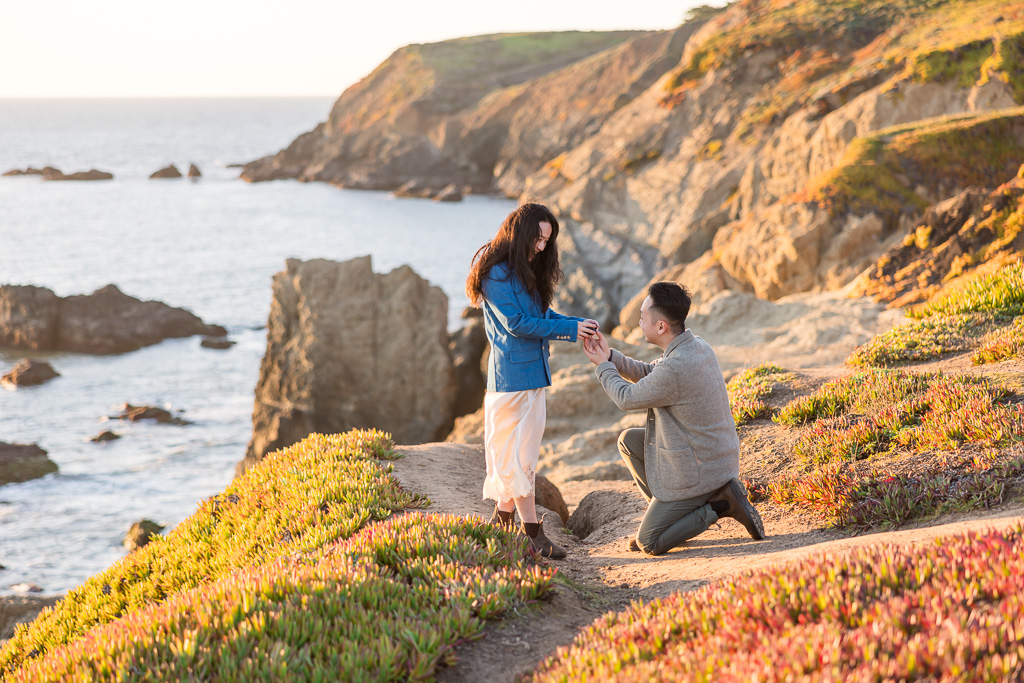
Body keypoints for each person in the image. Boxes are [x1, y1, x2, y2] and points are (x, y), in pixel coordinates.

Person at [582, 281, 765, 556]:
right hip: (709, 454)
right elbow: (649, 374)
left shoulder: (677, 366)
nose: (639, 321)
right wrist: (609, 356)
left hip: (703, 468)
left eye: (643, 316)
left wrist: (603, 367)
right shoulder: (694, 346)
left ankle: (721, 505)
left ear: (660, 327)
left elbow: (626, 398)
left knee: (649, 543)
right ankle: (673, 521)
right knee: (629, 441)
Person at [466, 202, 598, 559]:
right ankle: (533, 534)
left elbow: (541, 315)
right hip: (510, 379)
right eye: (538, 239)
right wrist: (568, 329)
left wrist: (576, 325)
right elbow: (518, 324)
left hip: (533, 376)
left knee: (520, 455)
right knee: (518, 457)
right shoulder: (495, 274)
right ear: (520, 231)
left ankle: (502, 520)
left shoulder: (525, 270)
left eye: (546, 241)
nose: (541, 247)